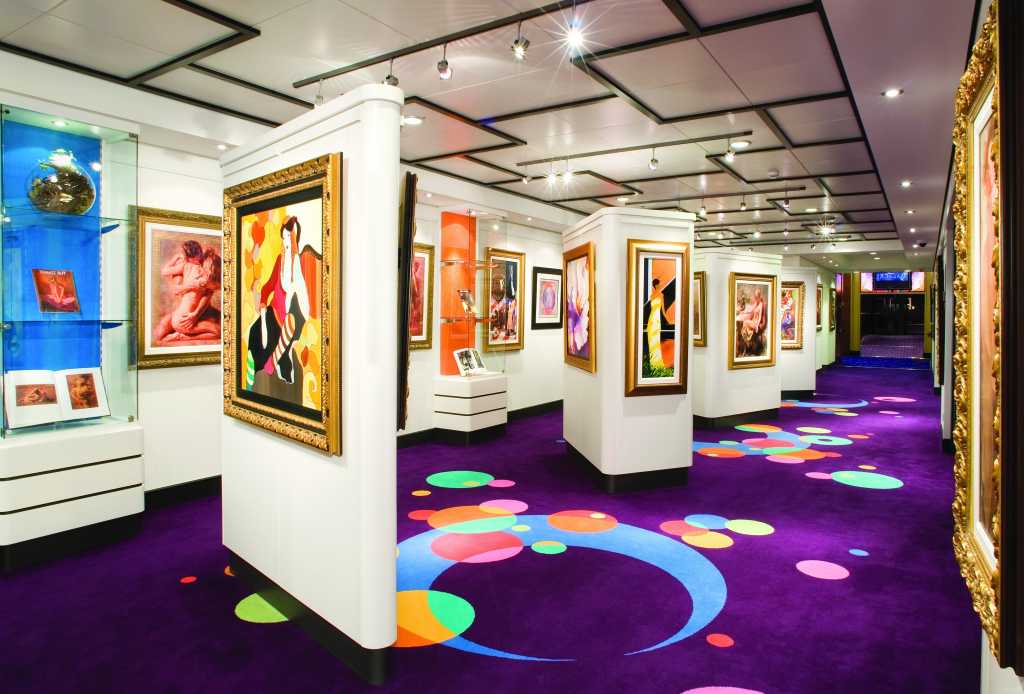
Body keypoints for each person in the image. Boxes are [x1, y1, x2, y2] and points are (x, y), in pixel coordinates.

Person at [247, 216, 311, 385]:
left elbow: (301, 304)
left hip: (289, 320)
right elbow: (268, 285)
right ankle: (253, 374)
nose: (285, 243)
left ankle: (278, 370)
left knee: (275, 344)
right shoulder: (279, 260)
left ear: (294, 240)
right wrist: (263, 300)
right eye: (283, 238)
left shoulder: (299, 268)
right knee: (254, 332)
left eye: (288, 238)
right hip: (273, 311)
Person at [153, 240, 221, 345]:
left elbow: (211, 288)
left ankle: (182, 334)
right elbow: (165, 271)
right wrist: (175, 258)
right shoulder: (187, 266)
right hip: (183, 318)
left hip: (186, 315)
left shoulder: (205, 270)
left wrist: (185, 288)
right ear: (188, 258)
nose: (198, 259)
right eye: (195, 258)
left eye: (199, 255)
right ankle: (182, 336)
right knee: (218, 332)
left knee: (159, 334)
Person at [646, 278, 671, 371]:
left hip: (657, 320)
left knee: (656, 340)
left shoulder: (661, 295)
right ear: (656, 285)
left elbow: (663, 311)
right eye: (659, 284)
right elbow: (651, 310)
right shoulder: (652, 296)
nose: (660, 285)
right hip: (652, 319)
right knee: (652, 340)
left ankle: (657, 364)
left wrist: (667, 320)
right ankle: (653, 364)